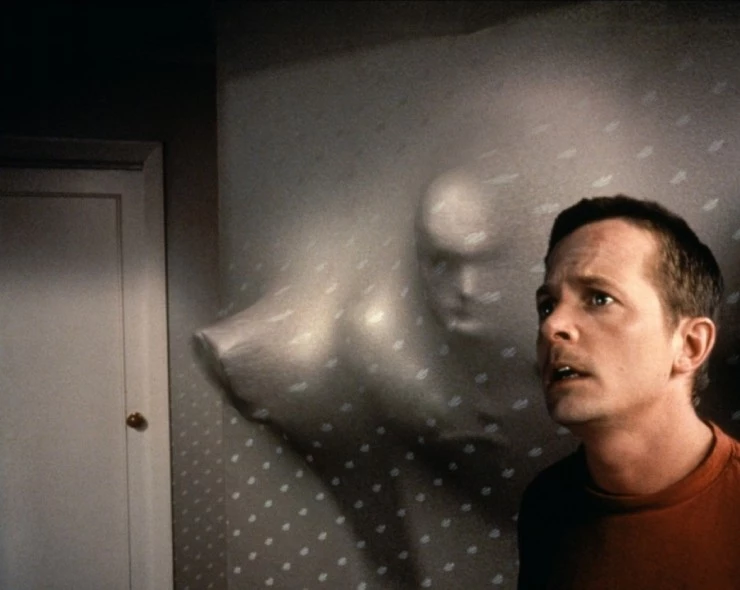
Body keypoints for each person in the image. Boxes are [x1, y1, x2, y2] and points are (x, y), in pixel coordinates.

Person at [517, 195, 740, 589]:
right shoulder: (545, 505)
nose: (552, 327)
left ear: (690, 345)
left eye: (599, 298)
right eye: (547, 305)